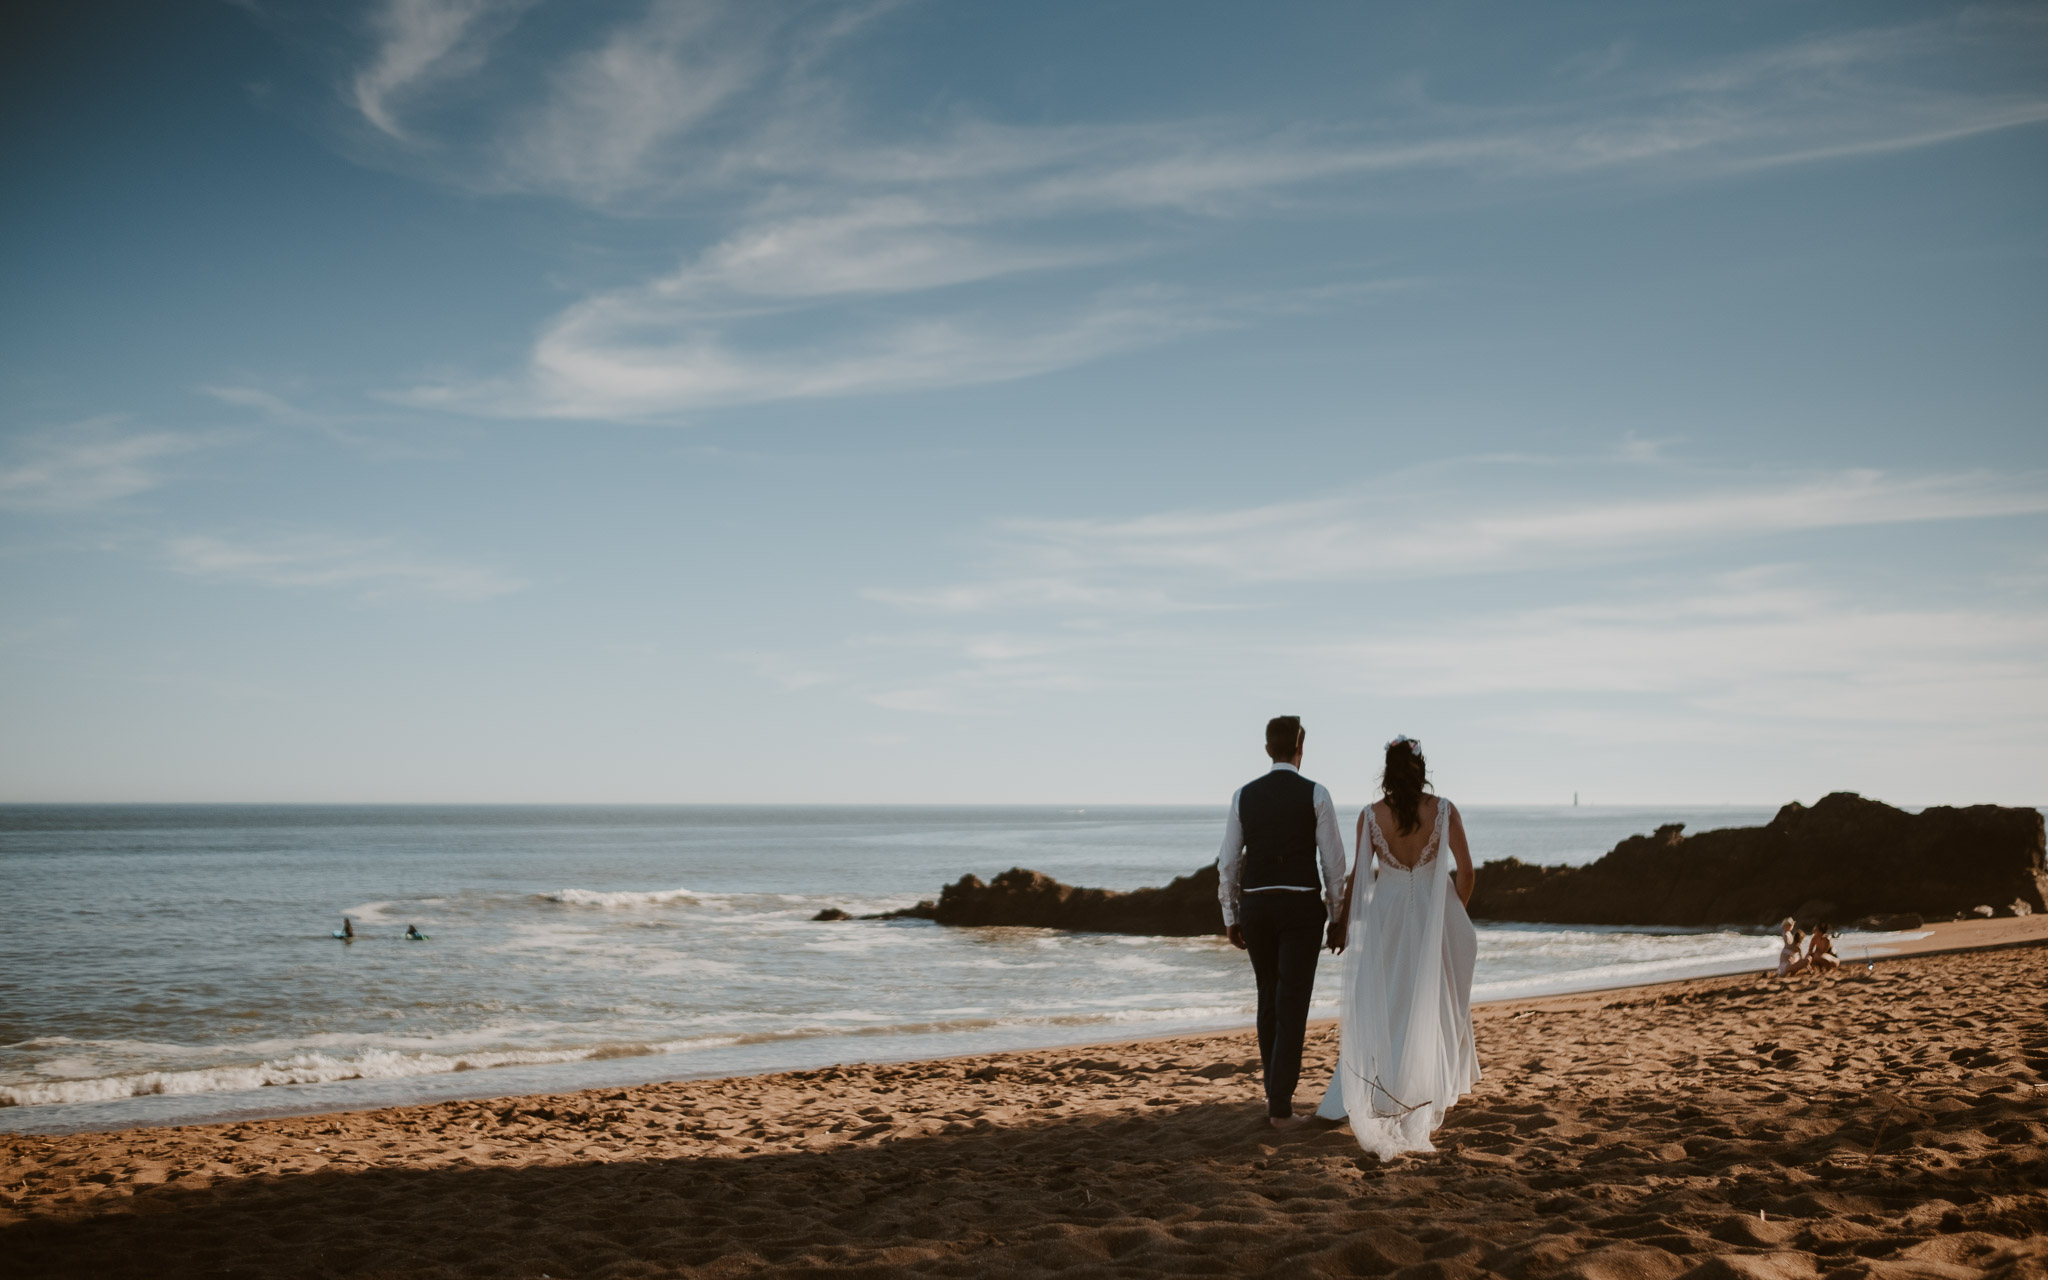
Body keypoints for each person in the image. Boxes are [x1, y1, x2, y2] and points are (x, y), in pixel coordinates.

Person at [1312, 736, 1480, 1158]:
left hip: (1387, 914)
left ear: (1386, 772)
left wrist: (1343, 922)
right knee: (1430, 1000)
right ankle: (1419, 1088)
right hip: (1431, 914)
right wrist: (1448, 913)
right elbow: (1467, 872)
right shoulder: (1442, 811)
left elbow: (1357, 877)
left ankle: (1385, 1092)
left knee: (1386, 1000)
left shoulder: (1371, 816)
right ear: (1421, 770)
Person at [1216, 715, 1348, 1130]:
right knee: (1292, 1004)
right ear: (1300, 749)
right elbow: (1334, 865)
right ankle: (1280, 1108)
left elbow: (1228, 862)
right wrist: (1338, 916)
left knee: (1268, 998)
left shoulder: (1243, 796)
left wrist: (1229, 914)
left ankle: (1276, 1099)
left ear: (1268, 749)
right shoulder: (1317, 794)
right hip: (1300, 909)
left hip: (1256, 907)